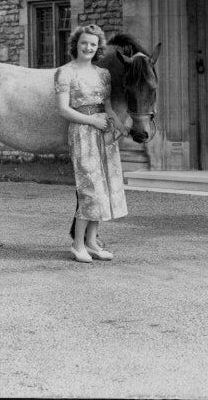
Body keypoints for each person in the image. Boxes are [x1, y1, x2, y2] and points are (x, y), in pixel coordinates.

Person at [55, 24, 128, 263]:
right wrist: (91, 122)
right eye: (84, 42)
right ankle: (77, 245)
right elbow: (64, 109)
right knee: (90, 190)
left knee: (103, 189)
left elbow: (106, 107)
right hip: (82, 132)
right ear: (76, 44)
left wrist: (118, 123)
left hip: (104, 133)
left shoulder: (103, 74)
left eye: (93, 44)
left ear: (98, 48)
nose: (88, 47)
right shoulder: (65, 72)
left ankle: (92, 242)